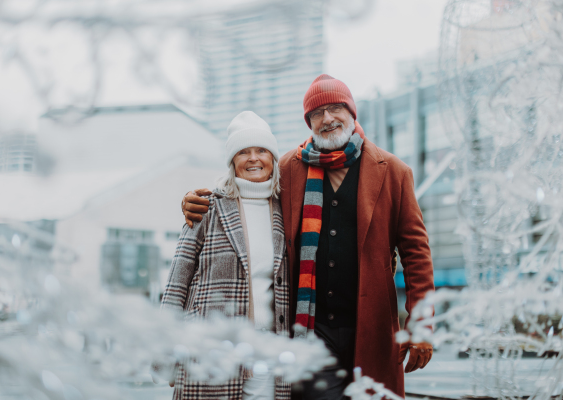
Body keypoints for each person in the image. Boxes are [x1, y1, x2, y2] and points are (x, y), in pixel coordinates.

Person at [182, 75, 435, 399]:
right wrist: (195, 201)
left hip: (372, 328)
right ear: (309, 122)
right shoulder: (287, 168)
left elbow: (417, 253)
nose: (327, 118)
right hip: (310, 333)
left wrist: (422, 325)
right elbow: (244, 187)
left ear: (351, 112)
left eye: (335, 108)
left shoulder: (395, 172)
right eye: (317, 113)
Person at [161, 111, 291, 400]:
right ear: (233, 161)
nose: (254, 158)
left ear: (273, 159)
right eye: (243, 152)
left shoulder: (286, 211)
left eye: (262, 151)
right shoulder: (208, 208)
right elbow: (176, 283)